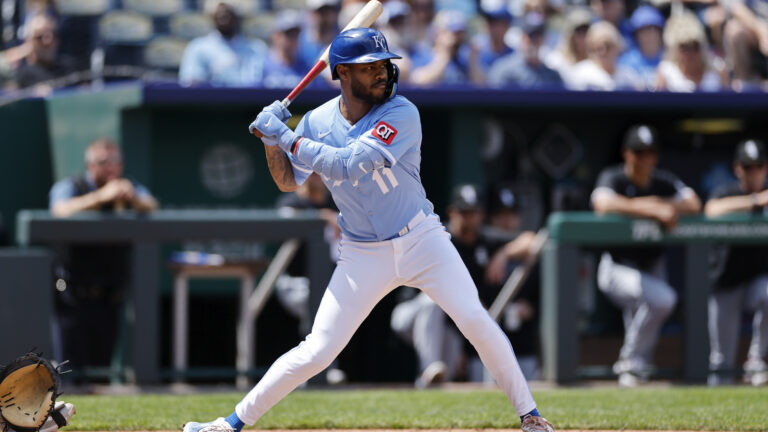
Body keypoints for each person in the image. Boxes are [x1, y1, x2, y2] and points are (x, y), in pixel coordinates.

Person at [184, 28, 555, 432]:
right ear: (342, 72)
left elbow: (348, 164)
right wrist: (271, 142)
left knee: (474, 320)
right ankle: (232, 423)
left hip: (421, 238)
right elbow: (289, 181)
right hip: (362, 252)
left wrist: (285, 136)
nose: (382, 73)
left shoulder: (402, 112)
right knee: (318, 350)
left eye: (384, 64)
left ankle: (530, 416)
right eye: (370, 67)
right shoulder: (316, 121)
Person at [591, 124, 701, 387]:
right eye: (639, 152)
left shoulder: (662, 180)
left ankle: (633, 376)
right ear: (627, 153)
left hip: (652, 265)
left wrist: (659, 204)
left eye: (650, 152)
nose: (645, 158)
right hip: (617, 267)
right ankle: (630, 361)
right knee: (663, 299)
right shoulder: (614, 176)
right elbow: (602, 203)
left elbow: (694, 203)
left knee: (650, 308)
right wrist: (651, 208)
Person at [48, 138, 157, 376]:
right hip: (72, 296)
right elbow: (59, 209)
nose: (110, 167)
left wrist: (133, 199)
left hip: (110, 295)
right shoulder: (73, 185)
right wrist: (101, 196)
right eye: (103, 162)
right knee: (69, 372)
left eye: (116, 161)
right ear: (90, 165)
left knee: (102, 369)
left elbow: (152, 205)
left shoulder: (127, 188)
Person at [704, 138, 768, 386]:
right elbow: (711, 210)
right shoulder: (727, 192)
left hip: (757, 281)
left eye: (758, 166)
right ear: (737, 168)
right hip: (726, 282)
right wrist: (755, 201)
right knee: (721, 361)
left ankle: (757, 359)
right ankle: (714, 417)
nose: (753, 172)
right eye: (747, 166)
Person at [178, 2, 267, 87]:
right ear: (212, 16)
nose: (224, 12)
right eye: (219, 10)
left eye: (229, 11)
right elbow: (191, 84)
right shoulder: (198, 47)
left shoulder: (257, 48)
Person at [487, 12, 563, 88]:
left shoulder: (552, 76)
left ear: (544, 39)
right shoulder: (503, 70)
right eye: (531, 36)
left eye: (538, 36)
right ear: (523, 38)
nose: (535, 41)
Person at [655, 11, 727, 92]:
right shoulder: (666, 72)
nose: (691, 53)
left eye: (695, 46)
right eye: (685, 47)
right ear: (675, 49)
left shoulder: (718, 70)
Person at [409, 10, 485, 86]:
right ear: (438, 33)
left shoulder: (464, 60)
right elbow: (418, 83)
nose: (457, 38)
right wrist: (445, 56)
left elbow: (482, 87)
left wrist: (473, 62)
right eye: (454, 33)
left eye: (461, 33)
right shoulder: (423, 55)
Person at [566, 20, 643, 90]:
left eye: (608, 46)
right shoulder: (579, 74)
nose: (603, 52)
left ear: (617, 47)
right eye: (598, 48)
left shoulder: (629, 77)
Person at [14, 13, 80, 92]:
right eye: (40, 37)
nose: (48, 41)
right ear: (29, 41)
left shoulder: (70, 68)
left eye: (53, 35)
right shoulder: (22, 77)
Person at [262, 10, 313, 89]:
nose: (293, 39)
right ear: (275, 36)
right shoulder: (262, 65)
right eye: (288, 34)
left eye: (296, 34)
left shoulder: (306, 67)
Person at [617, 5, 665, 91]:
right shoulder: (625, 61)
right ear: (636, 34)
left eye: (652, 29)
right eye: (643, 31)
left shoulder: (669, 58)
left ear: (660, 32)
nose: (649, 35)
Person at [723, 0, 768, 90]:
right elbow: (737, 8)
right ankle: (746, 86)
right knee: (735, 29)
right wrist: (761, 32)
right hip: (754, 29)